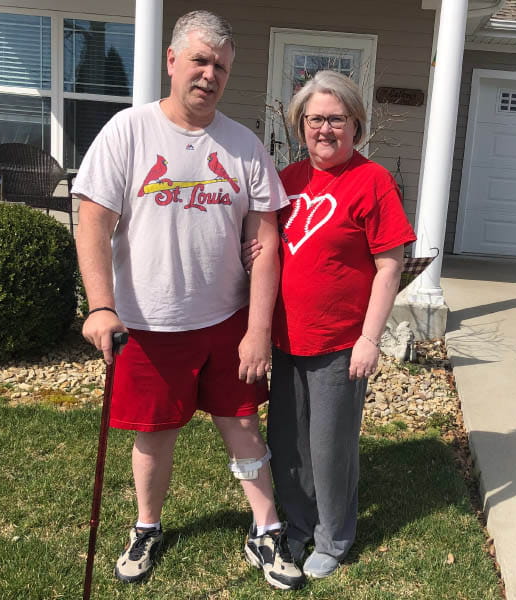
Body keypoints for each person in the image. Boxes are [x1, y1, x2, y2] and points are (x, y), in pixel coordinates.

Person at [72, 10, 305, 591]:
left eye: (221, 66)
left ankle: (266, 529)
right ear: (171, 61)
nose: (210, 74)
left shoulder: (245, 145)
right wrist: (102, 306)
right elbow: (93, 223)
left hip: (225, 319)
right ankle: (146, 526)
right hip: (149, 324)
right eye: (199, 60)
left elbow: (265, 241)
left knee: (244, 425)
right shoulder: (128, 131)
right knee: (153, 433)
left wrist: (256, 330)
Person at [253, 70, 417, 578]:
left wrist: (370, 339)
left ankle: (334, 536)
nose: (325, 129)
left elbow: (390, 265)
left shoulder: (373, 182)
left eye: (337, 119)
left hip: (341, 341)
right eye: (315, 119)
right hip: (286, 338)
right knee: (288, 442)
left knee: (330, 446)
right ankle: (298, 527)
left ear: (356, 125)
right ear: (301, 124)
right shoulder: (289, 180)